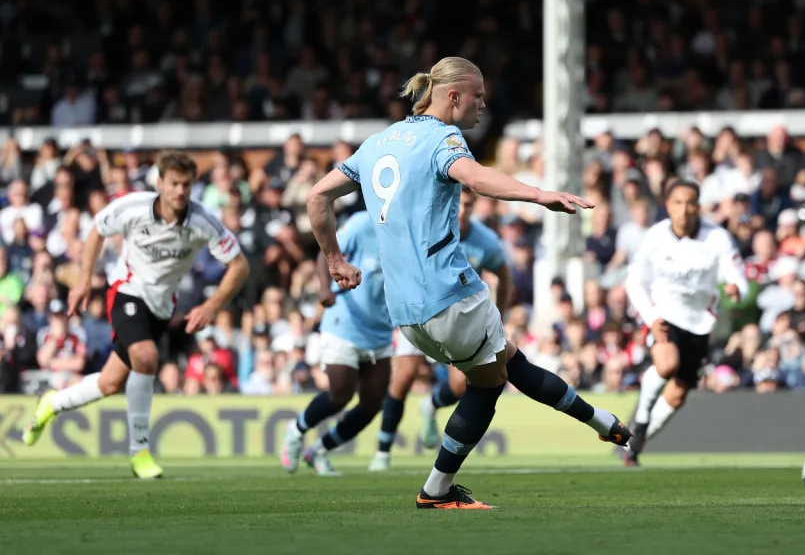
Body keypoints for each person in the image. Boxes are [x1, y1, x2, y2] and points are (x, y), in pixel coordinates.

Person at [306, 56, 631, 509]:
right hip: (449, 293)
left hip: (404, 313)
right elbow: (476, 178)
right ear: (453, 97)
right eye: (477, 96)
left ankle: (603, 422)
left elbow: (316, 196)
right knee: (490, 382)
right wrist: (540, 195)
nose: (483, 104)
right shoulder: (443, 139)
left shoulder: (376, 144)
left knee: (507, 362)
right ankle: (437, 489)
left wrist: (335, 259)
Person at [22, 151, 250, 479]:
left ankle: (52, 404)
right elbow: (97, 230)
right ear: (159, 183)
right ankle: (139, 451)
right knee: (146, 356)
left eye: (186, 185)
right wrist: (84, 278)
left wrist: (212, 305)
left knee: (111, 382)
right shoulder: (133, 208)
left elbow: (239, 265)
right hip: (126, 291)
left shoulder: (203, 222)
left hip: (160, 306)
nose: (180, 192)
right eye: (173, 184)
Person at [371, 188, 511, 471]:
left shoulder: (485, 241)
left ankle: (431, 405)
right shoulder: (426, 224)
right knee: (403, 378)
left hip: (454, 318)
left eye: (468, 205)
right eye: (458, 204)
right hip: (416, 310)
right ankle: (382, 452)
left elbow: (504, 274)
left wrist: (499, 315)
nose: (462, 211)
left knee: (461, 385)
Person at [622, 179, 749, 466]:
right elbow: (635, 282)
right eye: (678, 203)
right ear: (668, 206)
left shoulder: (716, 237)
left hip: (700, 321)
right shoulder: (655, 237)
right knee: (667, 365)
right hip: (663, 313)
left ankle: (632, 446)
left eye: (690, 203)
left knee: (678, 394)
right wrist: (651, 318)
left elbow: (736, 272)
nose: (684, 210)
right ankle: (640, 424)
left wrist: (735, 287)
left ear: (699, 206)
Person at [279, 211, 393, 476]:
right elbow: (325, 253)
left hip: (381, 328)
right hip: (345, 323)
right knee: (340, 395)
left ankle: (319, 449)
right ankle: (295, 430)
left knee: (373, 403)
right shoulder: (361, 223)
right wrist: (324, 289)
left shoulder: (409, 229)